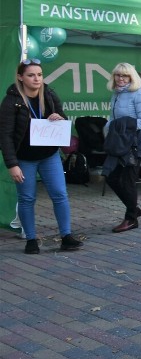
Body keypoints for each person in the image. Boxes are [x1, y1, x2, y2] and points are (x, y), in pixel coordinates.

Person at [0, 59, 82, 254]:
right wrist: (12, 164)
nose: (36, 78)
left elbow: (62, 117)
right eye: (31, 75)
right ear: (20, 77)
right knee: (27, 198)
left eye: (39, 74)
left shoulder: (49, 94)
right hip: (24, 159)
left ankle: (66, 236)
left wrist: (58, 118)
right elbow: (5, 135)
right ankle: (31, 240)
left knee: (60, 195)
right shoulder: (12, 101)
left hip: (49, 155)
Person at [104, 62, 141, 233]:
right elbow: (113, 118)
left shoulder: (139, 94)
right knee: (110, 176)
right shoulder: (116, 94)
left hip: (134, 144)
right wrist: (108, 128)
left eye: (125, 75)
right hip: (118, 143)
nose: (120, 79)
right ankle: (135, 208)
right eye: (118, 75)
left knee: (128, 181)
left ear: (132, 77)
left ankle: (131, 219)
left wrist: (123, 126)